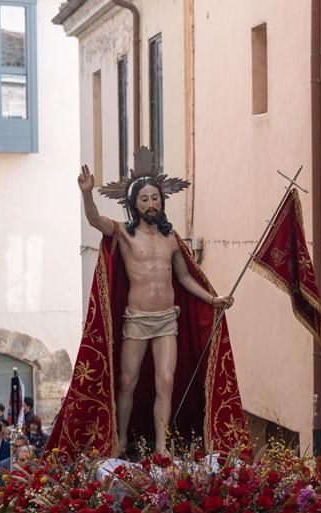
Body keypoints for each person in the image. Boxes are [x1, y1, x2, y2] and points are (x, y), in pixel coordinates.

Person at [77, 160, 234, 457]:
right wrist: (87, 194)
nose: (151, 204)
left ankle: (162, 447)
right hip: (136, 319)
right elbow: (95, 220)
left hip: (166, 320)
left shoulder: (171, 238)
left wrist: (211, 299)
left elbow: (185, 276)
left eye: (155, 198)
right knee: (127, 381)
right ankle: (121, 440)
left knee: (166, 381)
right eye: (144, 199)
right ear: (134, 204)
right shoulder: (124, 233)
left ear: (161, 202)